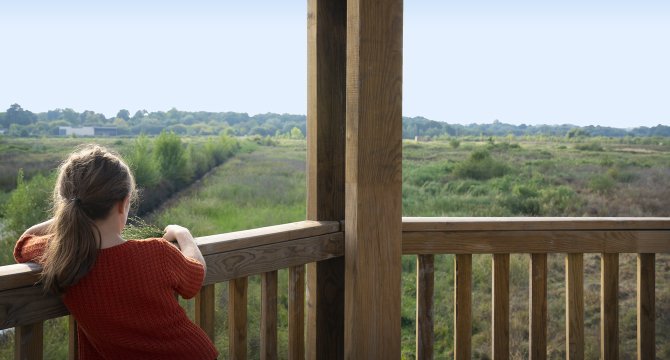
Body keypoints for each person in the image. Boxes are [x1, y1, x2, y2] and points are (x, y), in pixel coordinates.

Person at [13, 144, 218, 360]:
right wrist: (182, 233)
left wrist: (71, 213)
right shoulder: (157, 252)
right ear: (123, 204)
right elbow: (195, 277)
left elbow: (24, 243)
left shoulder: (62, 255)